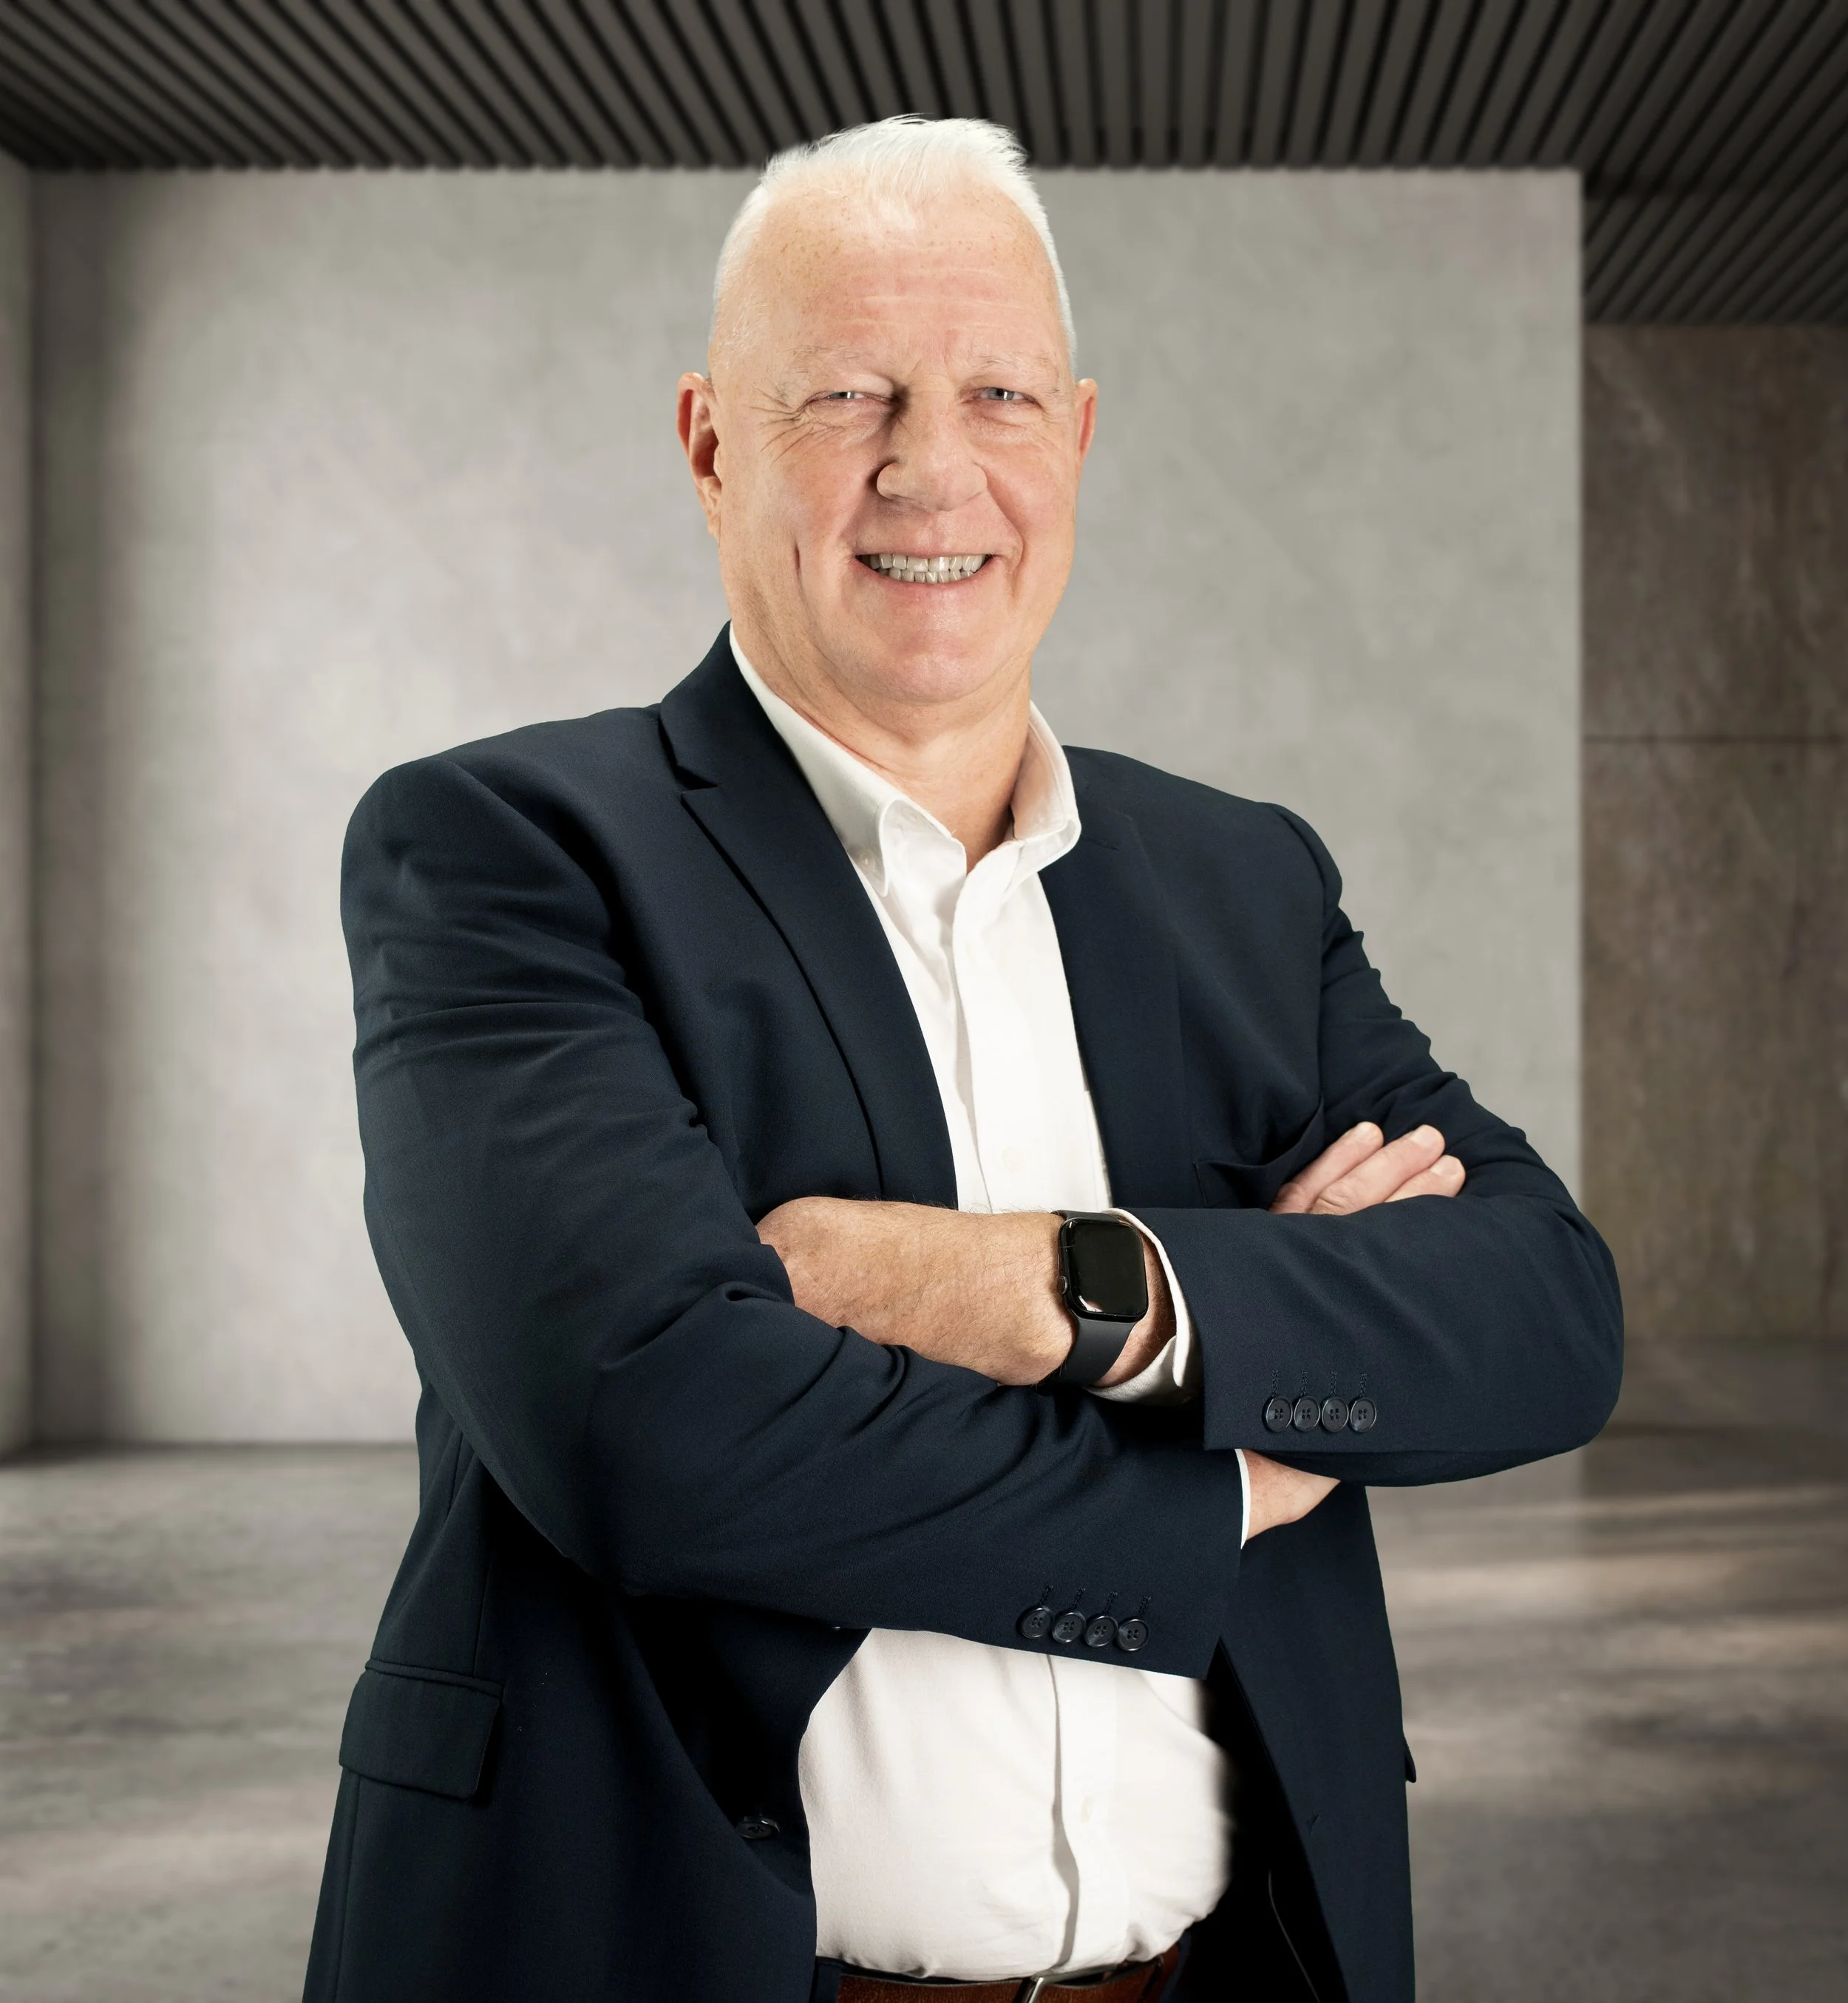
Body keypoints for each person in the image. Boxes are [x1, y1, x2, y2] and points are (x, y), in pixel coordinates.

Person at [305, 118, 1621, 2003]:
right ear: (709, 444)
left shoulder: (1242, 880)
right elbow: (650, 1431)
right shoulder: (510, 852)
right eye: (846, 393)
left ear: (1072, 439)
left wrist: (1050, 1289)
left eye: (997, 392)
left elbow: (1539, 1310)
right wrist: (1223, 1460)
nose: (930, 466)